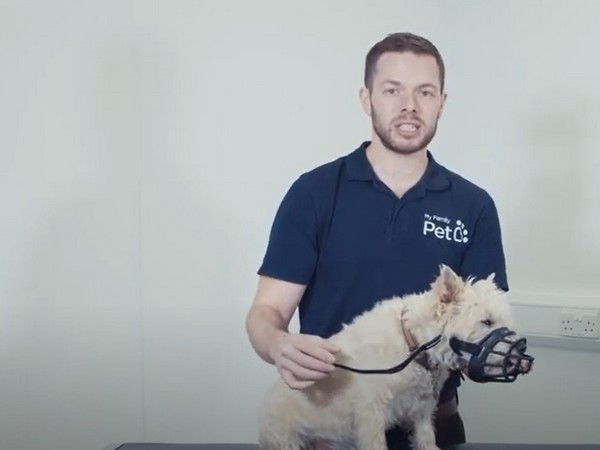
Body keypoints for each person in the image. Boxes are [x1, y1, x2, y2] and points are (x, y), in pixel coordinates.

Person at [245, 31, 508, 449]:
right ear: (366, 99)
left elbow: (484, 329)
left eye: (425, 91)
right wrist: (278, 344)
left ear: (442, 101)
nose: (410, 105)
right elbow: (266, 312)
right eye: (392, 90)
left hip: (431, 426)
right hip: (329, 431)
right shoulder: (313, 193)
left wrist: (492, 356)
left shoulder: (474, 205)